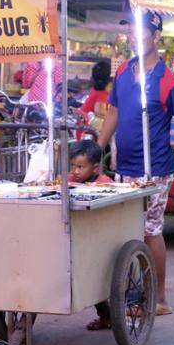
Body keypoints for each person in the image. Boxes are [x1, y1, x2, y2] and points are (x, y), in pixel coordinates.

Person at [98, 11, 174, 315]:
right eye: (131, 32)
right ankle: (129, 296)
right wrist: (95, 149)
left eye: (141, 32)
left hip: (155, 171)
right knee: (126, 233)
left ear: (156, 37)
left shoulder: (169, 82)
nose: (134, 37)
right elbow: (112, 113)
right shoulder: (125, 72)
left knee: (150, 230)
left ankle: (159, 299)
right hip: (124, 167)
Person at [66, 140, 114, 330]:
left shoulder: (106, 184)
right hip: (75, 235)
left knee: (94, 274)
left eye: (80, 167)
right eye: (73, 166)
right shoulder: (68, 181)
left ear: (94, 168)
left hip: (98, 237)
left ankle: (106, 315)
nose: (75, 171)